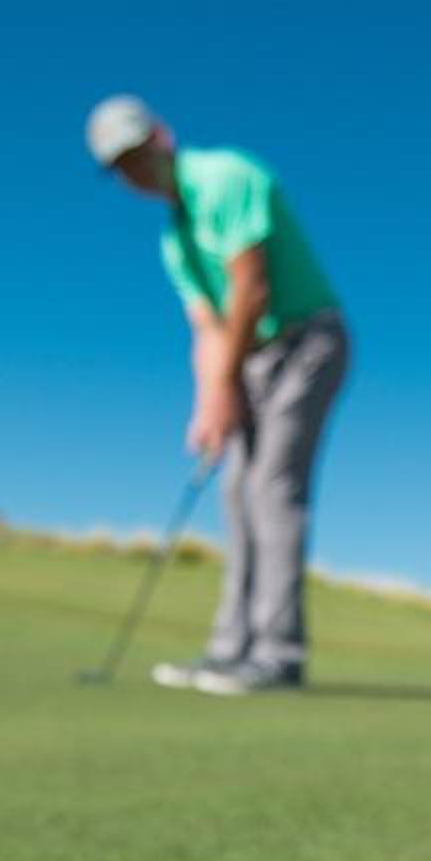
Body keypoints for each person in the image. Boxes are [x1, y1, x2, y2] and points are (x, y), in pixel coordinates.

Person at [87, 95, 351, 695]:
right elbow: (207, 329)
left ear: (161, 136)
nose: (134, 172)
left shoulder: (226, 177)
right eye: (120, 166)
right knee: (236, 491)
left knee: (271, 488)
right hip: (251, 356)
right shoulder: (174, 241)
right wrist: (210, 403)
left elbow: (250, 289)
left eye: (136, 154)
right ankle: (231, 649)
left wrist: (227, 383)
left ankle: (278, 655)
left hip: (309, 341)